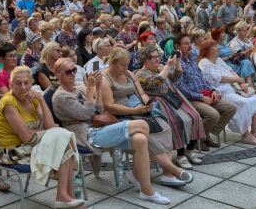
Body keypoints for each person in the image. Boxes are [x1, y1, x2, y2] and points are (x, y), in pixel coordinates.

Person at [52, 58, 171, 205]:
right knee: (142, 124)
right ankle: (136, 174)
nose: (72, 73)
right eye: (68, 71)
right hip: (85, 135)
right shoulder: (60, 96)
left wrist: (99, 87)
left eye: (74, 70)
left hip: (99, 128)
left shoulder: (78, 88)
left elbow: (100, 109)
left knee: (140, 139)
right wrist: (90, 89)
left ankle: (146, 191)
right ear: (57, 74)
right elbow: (86, 114)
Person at [0, 65, 84, 208]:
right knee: (63, 142)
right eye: (18, 83)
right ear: (11, 84)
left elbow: (49, 125)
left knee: (66, 144)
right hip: (13, 152)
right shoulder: (8, 103)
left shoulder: (33, 98)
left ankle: (67, 197)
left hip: (31, 145)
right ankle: (65, 197)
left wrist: (41, 100)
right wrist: (48, 132)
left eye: (26, 83)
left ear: (31, 83)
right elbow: (26, 137)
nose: (23, 87)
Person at [101, 48, 194, 186]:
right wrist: (134, 110)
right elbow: (110, 106)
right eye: (123, 65)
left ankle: (162, 174)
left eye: (127, 64)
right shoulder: (105, 80)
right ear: (112, 63)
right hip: (121, 115)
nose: (126, 68)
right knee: (148, 137)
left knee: (165, 127)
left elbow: (142, 94)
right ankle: (173, 170)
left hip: (138, 109)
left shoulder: (129, 74)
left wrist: (147, 103)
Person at [135, 45, 205, 168]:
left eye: (158, 56)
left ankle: (189, 150)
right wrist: (167, 66)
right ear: (146, 59)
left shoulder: (159, 68)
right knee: (178, 122)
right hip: (158, 103)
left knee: (195, 116)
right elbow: (155, 82)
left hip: (171, 99)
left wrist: (177, 62)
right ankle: (180, 155)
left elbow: (176, 76)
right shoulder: (140, 73)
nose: (158, 59)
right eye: (154, 57)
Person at [173, 34, 237, 150]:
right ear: (177, 46)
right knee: (213, 115)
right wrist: (200, 97)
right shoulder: (176, 63)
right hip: (190, 99)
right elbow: (181, 89)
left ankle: (203, 136)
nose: (189, 46)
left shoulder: (192, 57)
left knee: (231, 108)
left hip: (205, 92)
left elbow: (202, 78)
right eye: (186, 44)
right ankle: (198, 138)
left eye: (190, 43)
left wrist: (212, 90)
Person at [198, 40, 256, 145]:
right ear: (208, 50)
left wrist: (241, 82)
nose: (218, 48)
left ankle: (255, 130)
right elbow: (218, 78)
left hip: (233, 88)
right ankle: (245, 135)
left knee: (255, 98)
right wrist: (236, 80)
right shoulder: (204, 62)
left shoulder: (218, 59)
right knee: (244, 103)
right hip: (221, 92)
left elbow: (231, 70)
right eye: (215, 46)